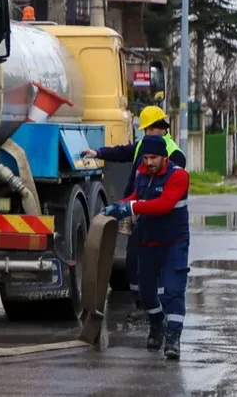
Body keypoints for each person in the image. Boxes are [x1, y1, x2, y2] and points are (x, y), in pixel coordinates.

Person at [81, 105, 186, 318]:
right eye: (144, 129)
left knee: (161, 270)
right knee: (133, 260)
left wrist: (131, 206)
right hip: (139, 213)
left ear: (161, 128)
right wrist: (98, 153)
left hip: (162, 222)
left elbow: (165, 200)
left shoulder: (173, 154)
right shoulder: (144, 147)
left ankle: (159, 315)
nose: (145, 133)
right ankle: (143, 305)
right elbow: (124, 152)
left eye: (149, 129)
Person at [102, 134, 190, 360]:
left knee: (173, 290)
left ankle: (173, 338)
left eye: (153, 158)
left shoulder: (178, 176)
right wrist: (119, 206)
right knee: (147, 293)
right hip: (148, 242)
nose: (148, 162)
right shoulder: (142, 173)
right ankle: (157, 324)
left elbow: (164, 205)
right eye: (145, 157)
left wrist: (130, 207)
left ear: (164, 157)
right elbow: (136, 195)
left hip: (174, 243)